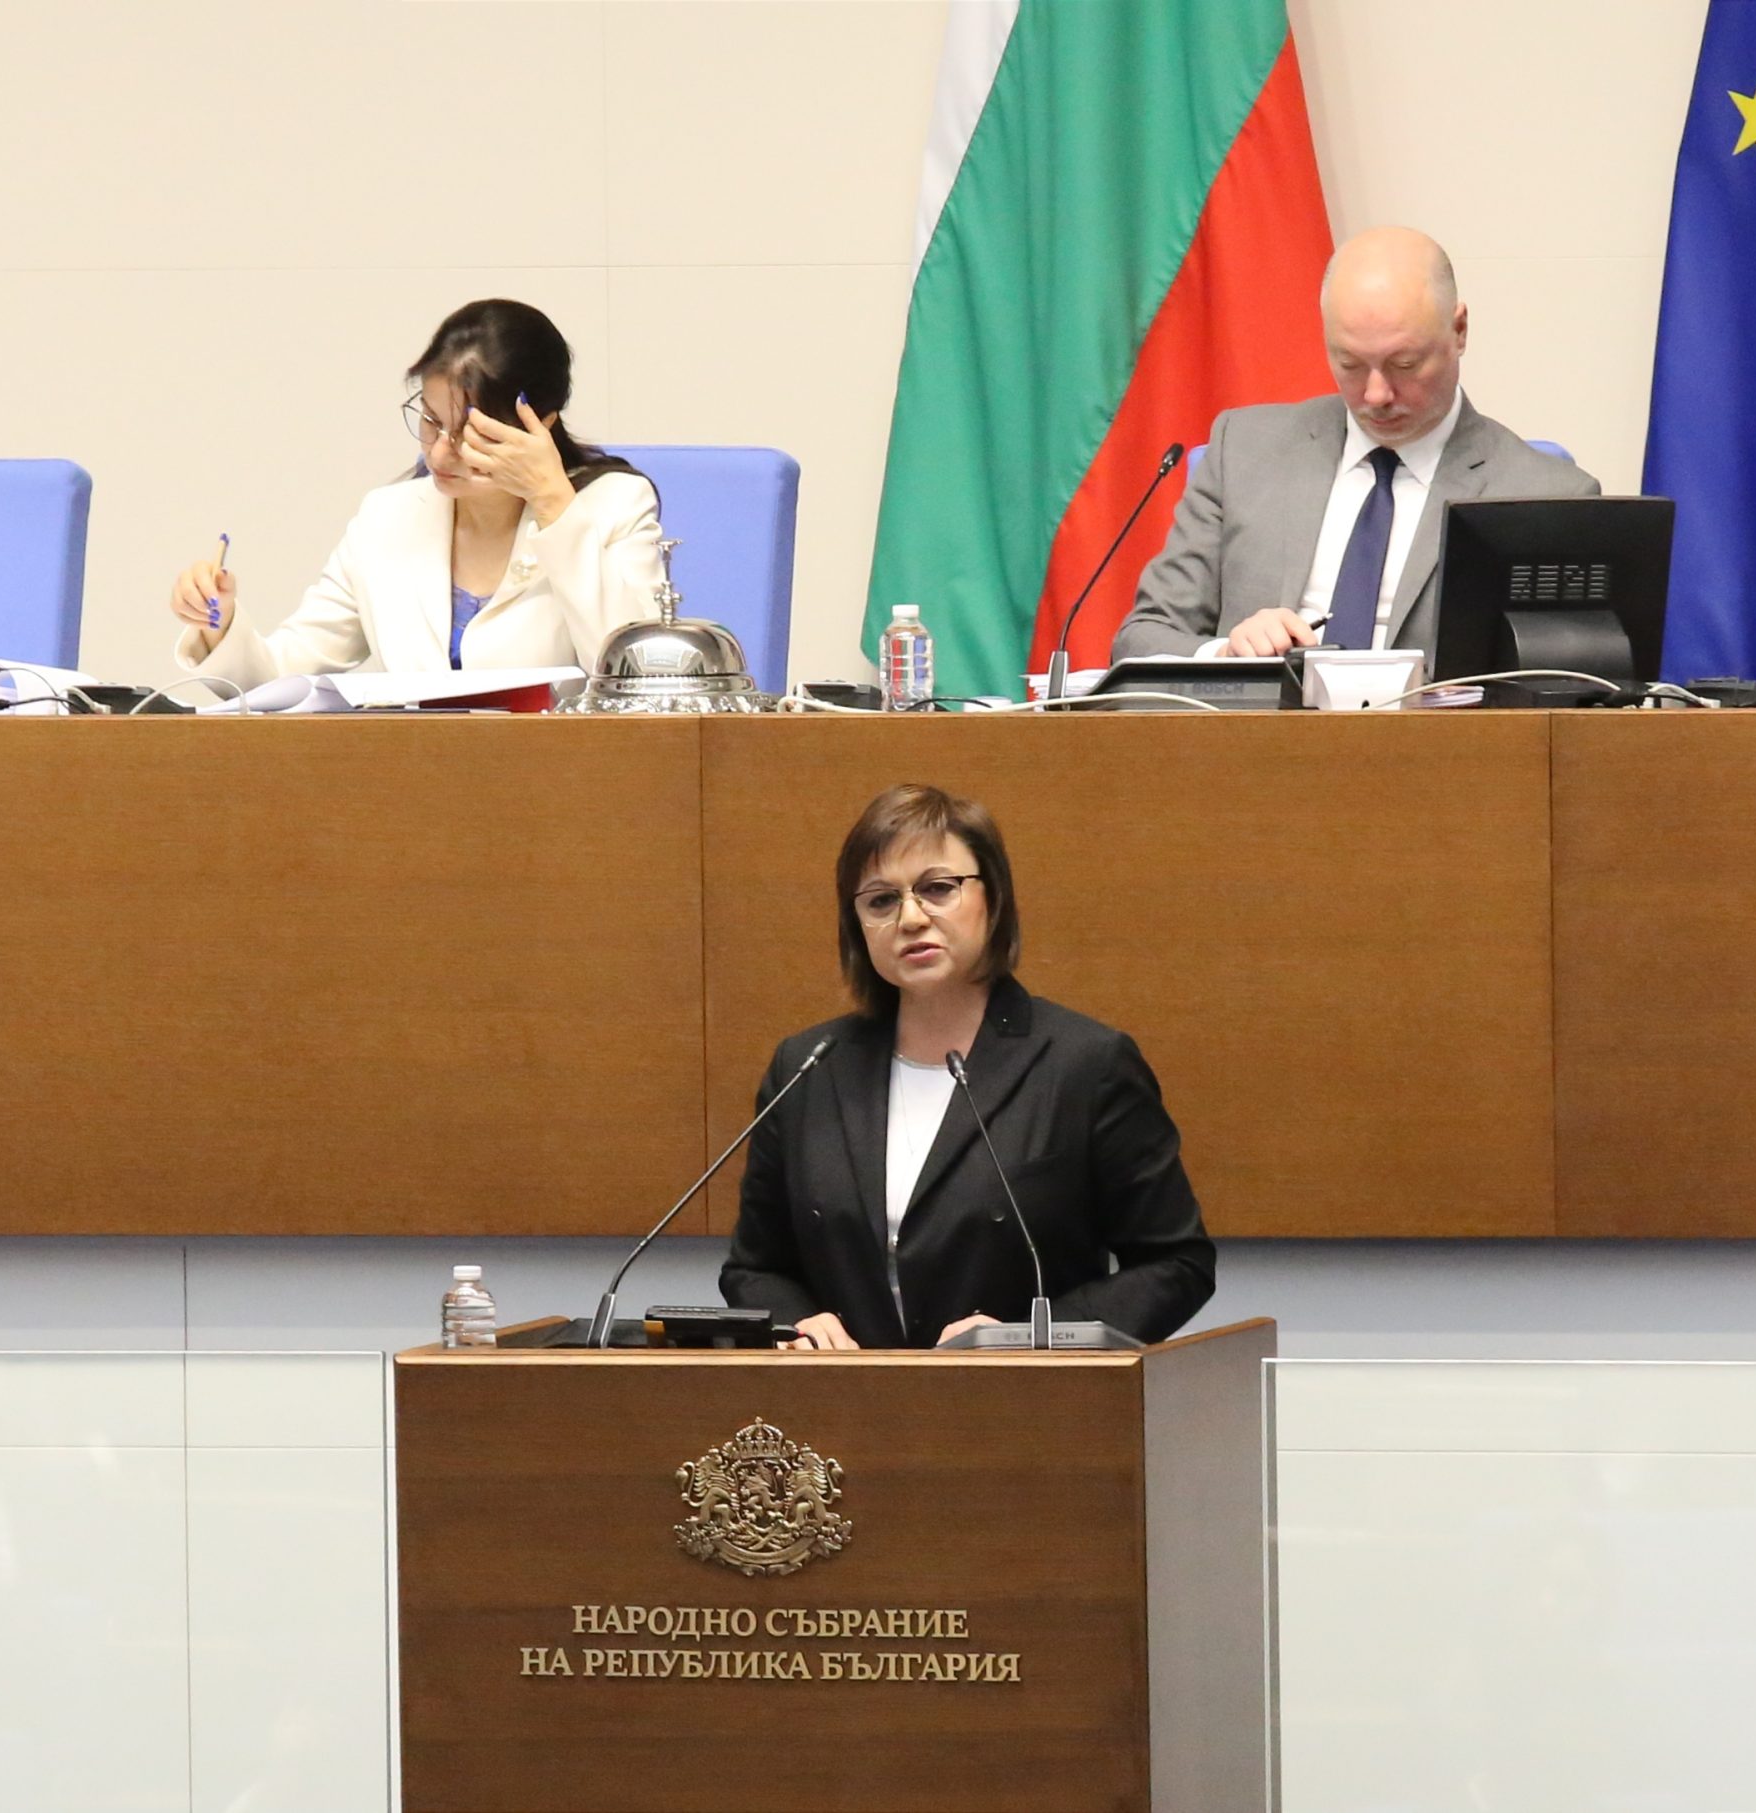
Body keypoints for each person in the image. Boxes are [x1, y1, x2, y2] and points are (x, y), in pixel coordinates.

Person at [721, 785, 1216, 1351]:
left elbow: (1176, 1264)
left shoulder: (1086, 1064)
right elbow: (754, 1267)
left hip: (1024, 1397)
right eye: (881, 901)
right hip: (846, 1397)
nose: (911, 918)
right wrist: (795, 1322)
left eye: (938, 889)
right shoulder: (808, 1068)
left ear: (994, 899)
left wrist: (1029, 1337)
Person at [1112, 225, 1600, 664]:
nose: (1376, 395)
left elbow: (1573, 679)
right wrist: (1226, 655)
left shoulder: (1547, 495)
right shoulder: (1242, 452)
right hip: (1260, 732)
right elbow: (1143, 637)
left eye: (1405, 365)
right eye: (1349, 364)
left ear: (1459, 331)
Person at [166, 299, 665, 685]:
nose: (440, 454)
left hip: (563, 778)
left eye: (470, 433)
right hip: (411, 776)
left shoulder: (615, 507)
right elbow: (281, 677)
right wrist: (218, 624)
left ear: (541, 425)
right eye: (430, 421)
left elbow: (640, 678)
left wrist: (554, 502)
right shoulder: (388, 518)